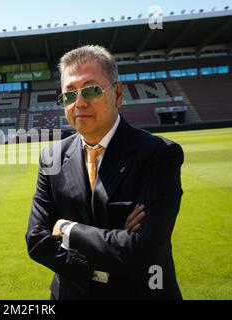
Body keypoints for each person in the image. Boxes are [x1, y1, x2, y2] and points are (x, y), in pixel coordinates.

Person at [25, 45, 184, 300]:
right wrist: (113, 249)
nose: (79, 103)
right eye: (69, 95)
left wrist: (68, 229)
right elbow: (37, 240)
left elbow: (143, 250)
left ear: (118, 93)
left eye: (91, 90)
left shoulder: (159, 154)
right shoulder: (51, 157)